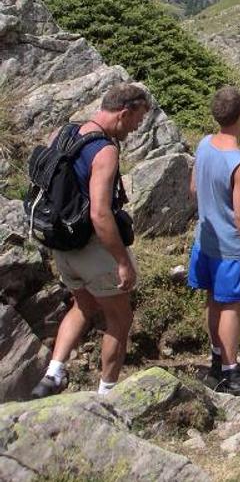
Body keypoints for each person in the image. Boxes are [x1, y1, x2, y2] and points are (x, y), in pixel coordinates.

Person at [31, 83, 150, 398]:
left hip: (61, 244)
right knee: (120, 319)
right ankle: (106, 396)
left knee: (83, 305)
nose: (136, 127)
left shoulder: (64, 132)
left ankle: (53, 374)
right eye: (137, 119)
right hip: (91, 248)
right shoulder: (105, 150)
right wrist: (122, 261)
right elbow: (99, 213)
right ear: (124, 112)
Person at [187, 86, 240, 398]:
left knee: (213, 301)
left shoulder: (204, 143)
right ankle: (232, 374)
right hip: (231, 247)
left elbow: (194, 188)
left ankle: (216, 362)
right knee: (231, 306)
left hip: (205, 240)